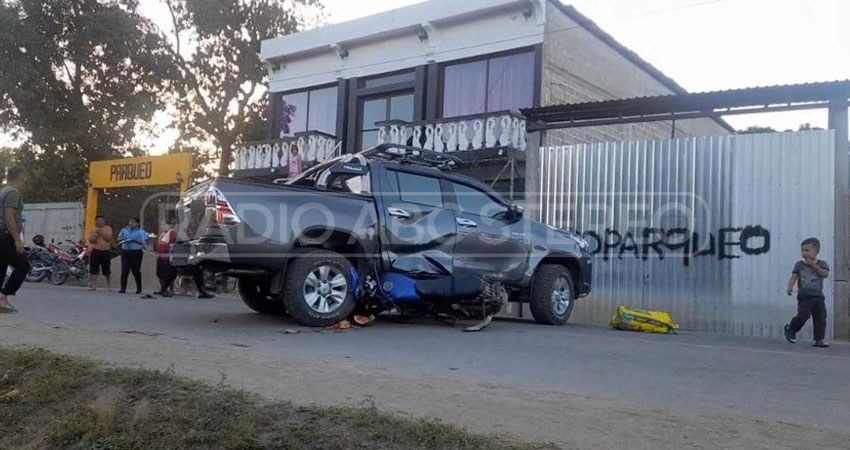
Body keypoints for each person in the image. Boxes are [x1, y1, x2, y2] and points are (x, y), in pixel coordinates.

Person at [784, 237, 830, 348]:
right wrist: (790, 287)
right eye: (802, 250)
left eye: (807, 250)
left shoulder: (822, 263)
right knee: (803, 315)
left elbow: (825, 274)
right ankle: (791, 329)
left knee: (820, 317)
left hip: (818, 296)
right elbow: (794, 276)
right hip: (804, 296)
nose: (804, 253)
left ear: (816, 251)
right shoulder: (799, 264)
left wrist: (813, 265)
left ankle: (819, 339)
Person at [0, 166, 29, 313]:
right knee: (23, 265)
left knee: (2, 267)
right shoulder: (12, 193)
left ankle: (2, 300)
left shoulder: (2, 191)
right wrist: (17, 240)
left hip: (2, 235)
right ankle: (3, 298)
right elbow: (9, 217)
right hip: (7, 236)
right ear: (19, 176)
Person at [117, 217, 148, 294]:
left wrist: (134, 240)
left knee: (136, 270)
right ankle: (122, 288)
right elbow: (119, 238)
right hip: (126, 251)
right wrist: (124, 239)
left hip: (136, 252)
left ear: (137, 224)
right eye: (130, 222)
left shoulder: (141, 232)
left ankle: (139, 288)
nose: (131, 223)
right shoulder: (124, 230)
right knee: (124, 270)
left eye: (133, 222)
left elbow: (144, 242)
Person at [88, 215, 113, 290]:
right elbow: (91, 240)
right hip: (96, 250)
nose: (99, 222)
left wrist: (101, 233)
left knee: (106, 269)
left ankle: (109, 285)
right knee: (93, 268)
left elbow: (108, 239)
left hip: (105, 251)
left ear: (104, 221)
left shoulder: (108, 229)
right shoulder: (94, 229)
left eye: (101, 220)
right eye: (98, 220)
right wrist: (95, 235)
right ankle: (93, 285)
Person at [154, 221, 178, 297]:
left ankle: (170, 290)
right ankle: (162, 289)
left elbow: (173, 244)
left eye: (164, 224)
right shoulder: (161, 234)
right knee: (159, 273)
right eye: (161, 225)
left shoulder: (172, 233)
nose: (162, 226)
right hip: (160, 256)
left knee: (169, 274)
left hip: (167, 256)